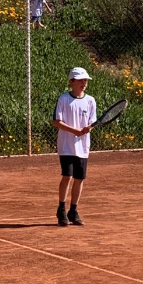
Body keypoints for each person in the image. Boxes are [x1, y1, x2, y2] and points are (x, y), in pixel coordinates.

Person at [51, 67, 97, 226]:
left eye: (85, 80)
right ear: (71, 82)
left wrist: (88, 129)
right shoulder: (64, 99)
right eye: (80, 80)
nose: (84, 83)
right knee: (67, 176)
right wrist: (75, 131)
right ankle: (61, 209)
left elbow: (92, 122)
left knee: (79, 178)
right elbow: (56, 121)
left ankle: (73, 210)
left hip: (83, 147)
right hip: (66, 146)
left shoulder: (90, 101)